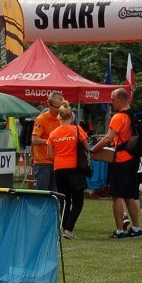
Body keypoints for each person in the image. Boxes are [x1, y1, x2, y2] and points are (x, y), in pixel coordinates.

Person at [91, 88, 142, 239]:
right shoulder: (134, 114)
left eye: (113, 99)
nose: (111, 102)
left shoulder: (118, 117)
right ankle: (136, 228)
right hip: (133, 159)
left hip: (120, 159)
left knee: (117, 196)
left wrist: (93, 150)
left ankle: (119, 230)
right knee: (129, 195)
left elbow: (108, 138)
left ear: (121, 100)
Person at [47, 101, 90, 240]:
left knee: (64, 200)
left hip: (59, 169)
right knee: (78, 201)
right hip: (75, 169)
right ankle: (68, 228)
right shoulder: (77, 130)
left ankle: (64, 227)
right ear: (72, 116)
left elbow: (49, 155)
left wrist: (59, 160)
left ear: (59, 117)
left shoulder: (53, 133)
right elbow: (87, 147)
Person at [30, 92, 64, 192]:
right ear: (49, 105)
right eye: (57, 107)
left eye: (61, 107)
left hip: (57, 162)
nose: (59, 110)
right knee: (43, 194)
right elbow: (34, 139)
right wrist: (51, 142)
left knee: (55, 194)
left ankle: (55, 208)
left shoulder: (62, 119)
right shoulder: (41, 119)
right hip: (42, 162)